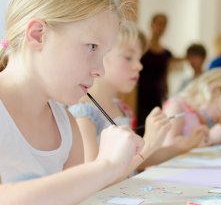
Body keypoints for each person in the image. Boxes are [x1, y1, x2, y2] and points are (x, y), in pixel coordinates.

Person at [0, 0, 144, 204]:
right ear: (37, 35)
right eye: (92, 47)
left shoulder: (66, 127)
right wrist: (104, 166)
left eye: (104, 54)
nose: (101, 70)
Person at [69, 20, 208, 174]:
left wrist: (183, 145)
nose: (139, 66)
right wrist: (149, 143)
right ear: (99, 56)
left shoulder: (121, 108)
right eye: (129, 58)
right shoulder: (84, 114)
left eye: (139, 59)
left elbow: (137, 159)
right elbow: (92, 178)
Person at [162, 68, 221, 147]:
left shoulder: (206, 119)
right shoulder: (177, 107)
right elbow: (167, 146)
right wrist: (209, 138)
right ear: (214, 91)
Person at [137, 13, 183, 136]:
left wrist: (166, 94)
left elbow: (165, 76)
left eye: (164, 25)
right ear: (151, 25)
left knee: (155, 127)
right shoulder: (142, 48)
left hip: (156, 95)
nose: (161, 27)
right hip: (139, 95)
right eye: (158, 23)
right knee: (140, 127)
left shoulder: (166, 53)